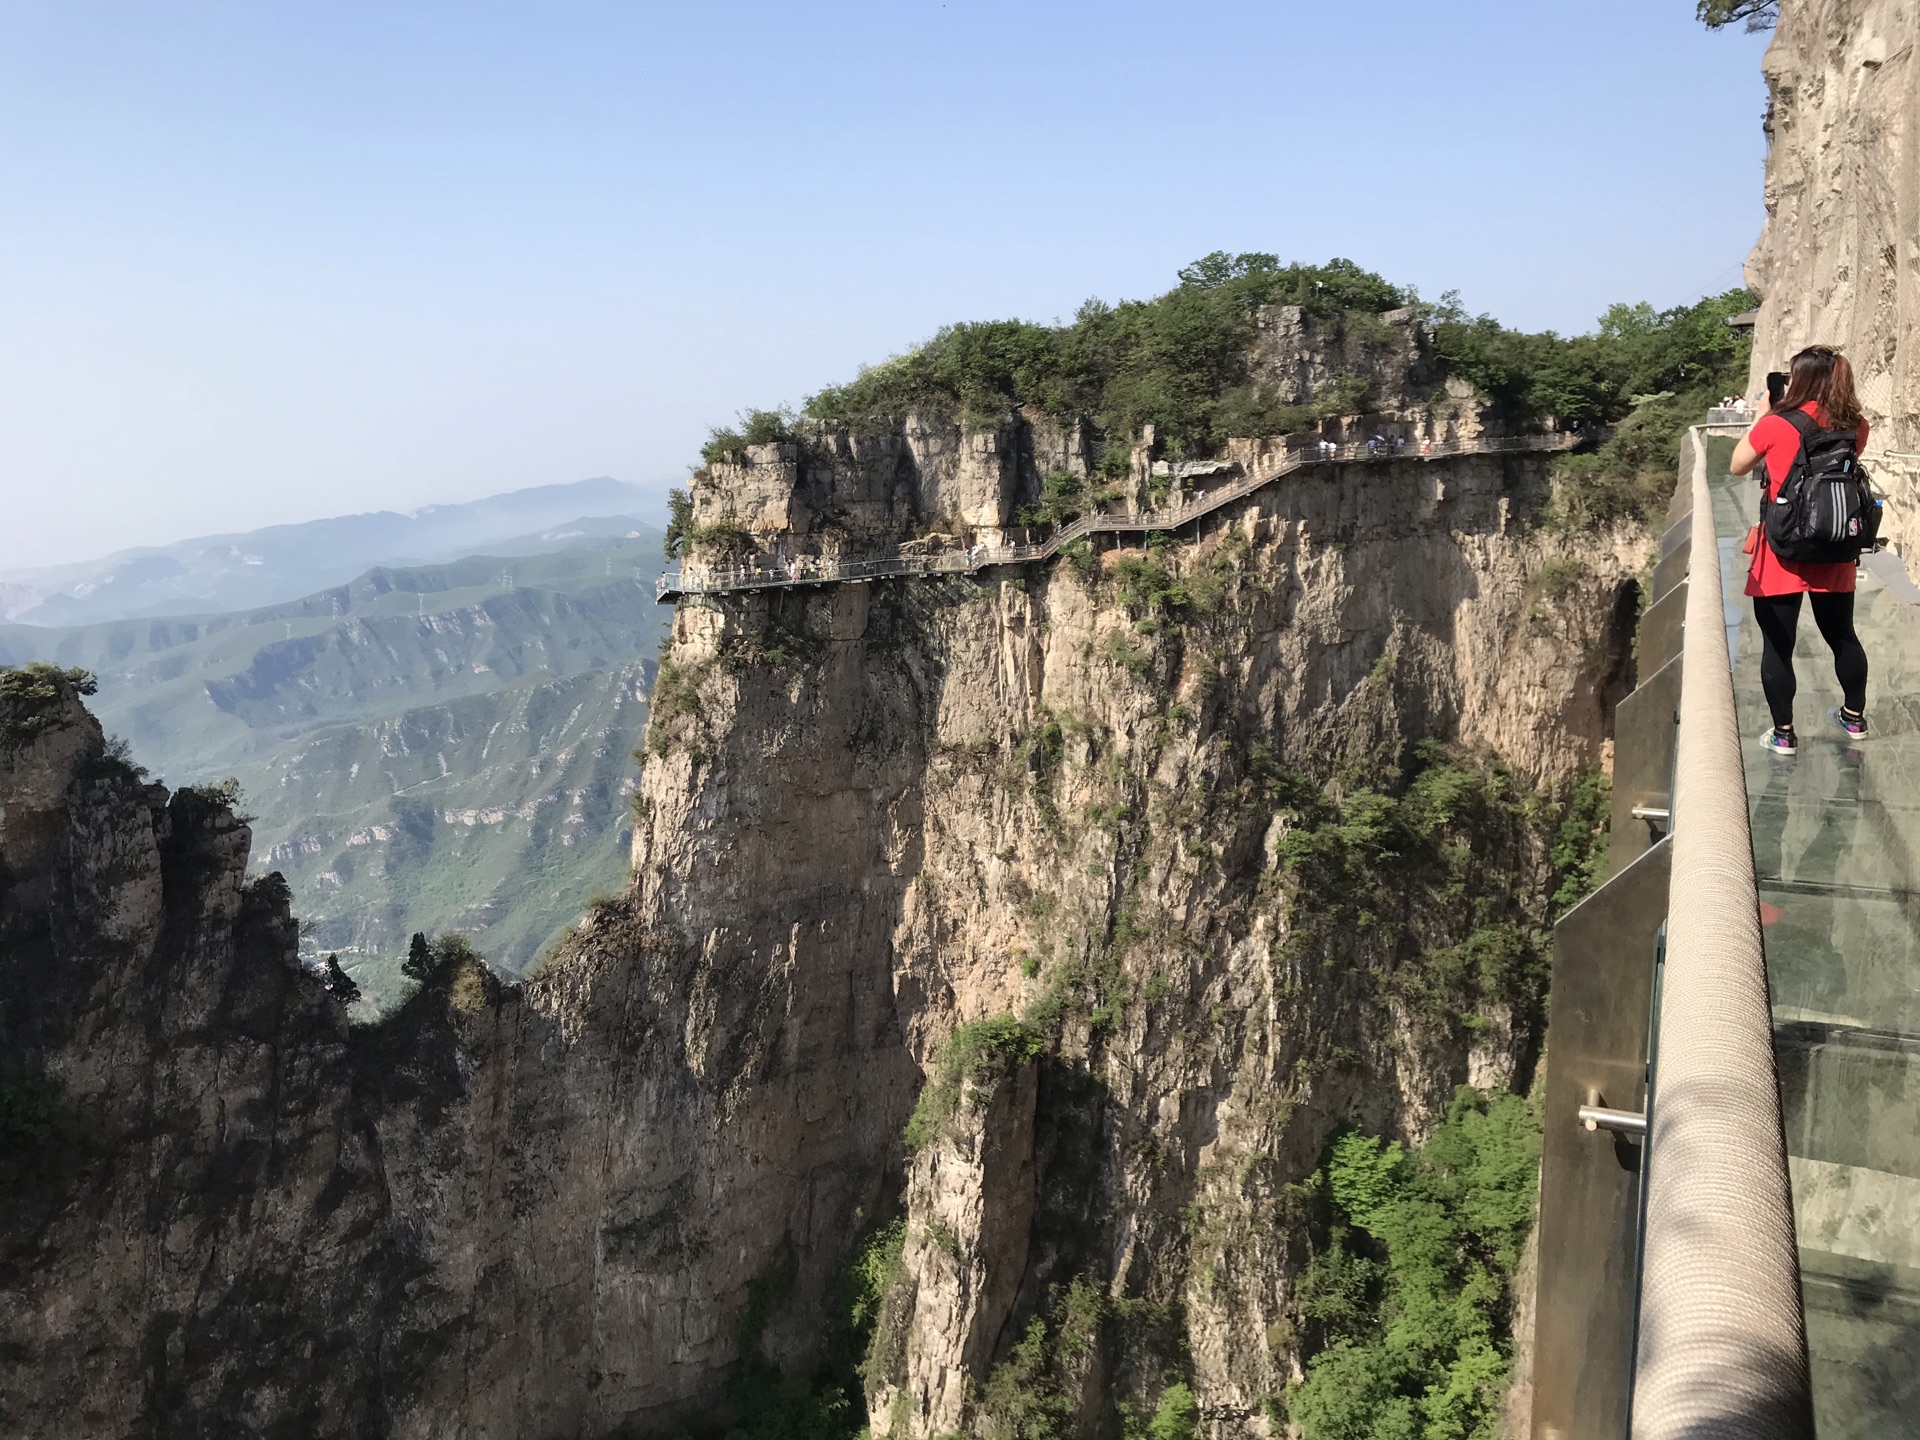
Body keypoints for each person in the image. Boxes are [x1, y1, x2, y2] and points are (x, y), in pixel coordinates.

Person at [1729, 344, 1872, 754]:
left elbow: (1739, 464)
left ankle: (1784, 734)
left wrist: (1763, 414)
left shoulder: (1777, 424)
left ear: (1801, 379)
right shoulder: (1855, 425)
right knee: (1843, 636)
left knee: (1778, 645)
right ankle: (1854, 719)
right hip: (1835, 543)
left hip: (1782, 547)